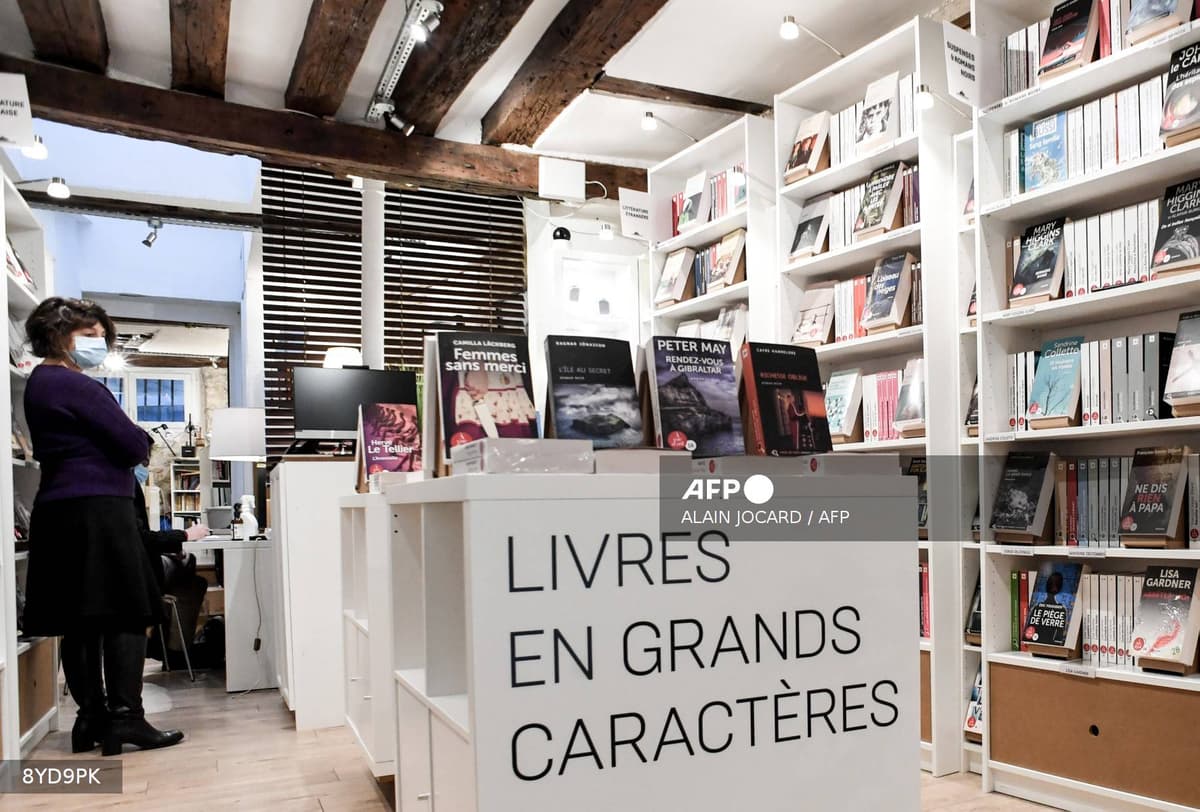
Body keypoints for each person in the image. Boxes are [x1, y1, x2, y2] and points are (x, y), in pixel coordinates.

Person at [21, 297, 184, 756]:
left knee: (79, 619)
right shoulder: (77, 385)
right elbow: (133, 443)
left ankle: (90, 718)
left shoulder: (39, 383)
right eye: (89, 335)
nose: (99, 343)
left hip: (58, 511)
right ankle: (127, 719)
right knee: (127, 612)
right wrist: (138, 438)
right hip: (99, 511)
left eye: (101, 336)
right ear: (58, 335)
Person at [133, 464, 209, 665]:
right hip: (139, 571)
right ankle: (174, 651)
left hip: (131, 566)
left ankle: (166, 646)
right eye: (145, 462)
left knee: (195, 583)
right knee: (188, 563)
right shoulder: (126, 485)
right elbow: (141, 538)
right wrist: (184, 535)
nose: (145, 468)